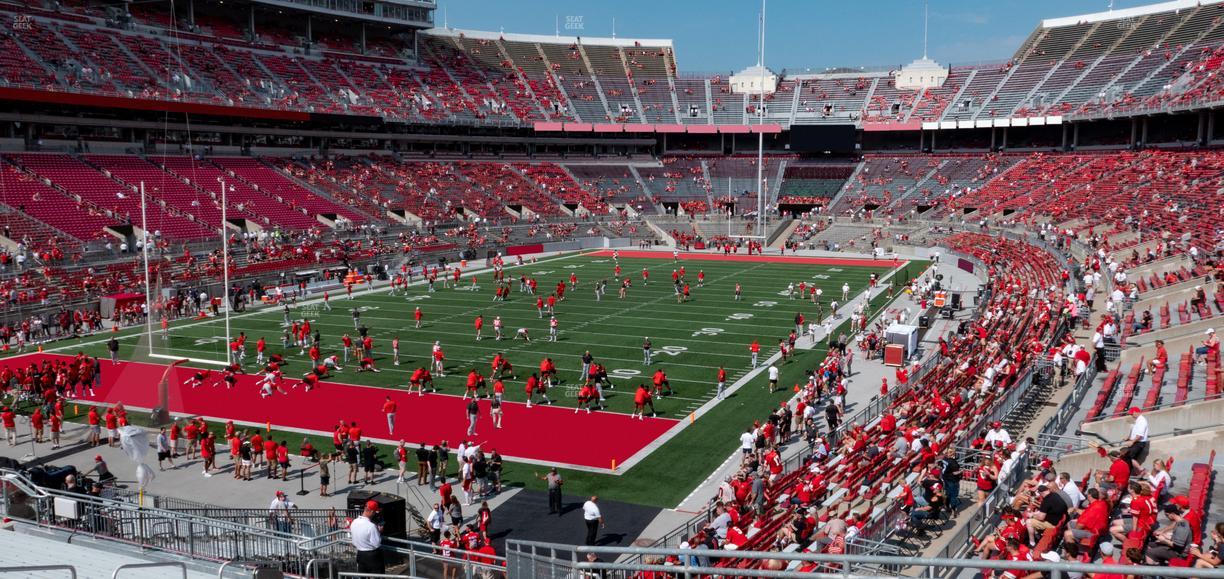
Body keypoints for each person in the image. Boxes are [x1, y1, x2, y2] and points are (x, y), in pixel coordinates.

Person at [351, 499, 384, 574]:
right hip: (372, 555)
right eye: (375, 512)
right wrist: (378, 532)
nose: (375, 514)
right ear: (372, 511)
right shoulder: (371, 526)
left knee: (363, 575)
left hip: (360, 554)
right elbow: (376, 544)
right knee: (378, 576)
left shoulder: (354, 522)